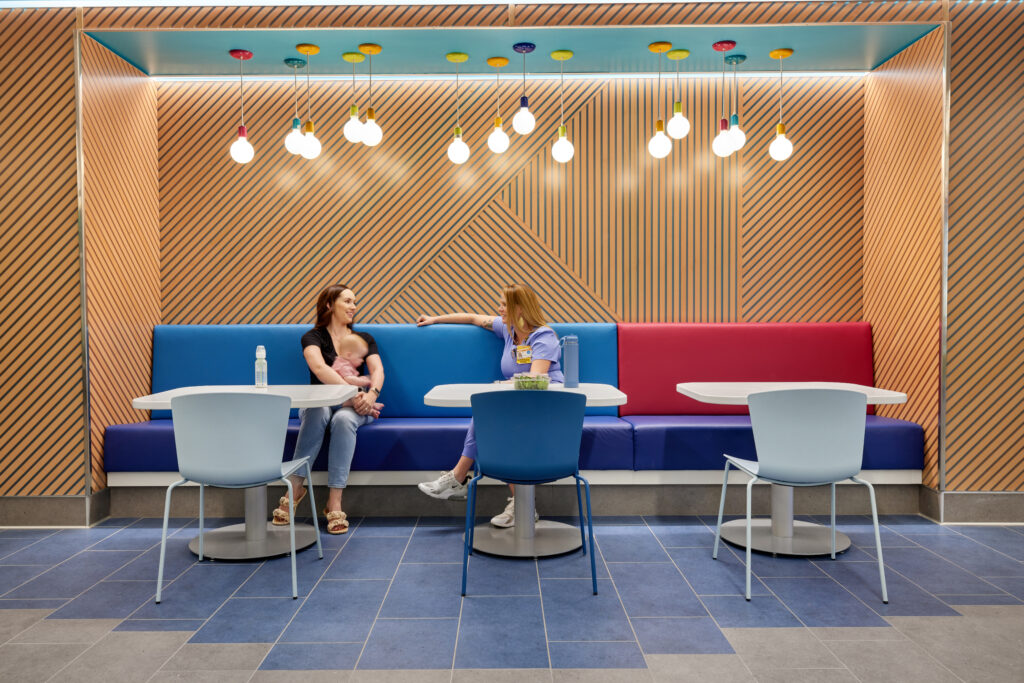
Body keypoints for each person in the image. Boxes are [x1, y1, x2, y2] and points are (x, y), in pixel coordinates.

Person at [415, 283, 563, 528]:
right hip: (516, 405)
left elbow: (536, 381)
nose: (499, 309)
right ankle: (520, 505)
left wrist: (501, 387)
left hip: (545, 406)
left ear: (519, 307)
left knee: (489, 414)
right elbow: (473, 318)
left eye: (504, 304)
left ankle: (458, 478)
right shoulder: (509, 330)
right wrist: (434, 319)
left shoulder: (543, 336)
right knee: (490, 419)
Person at [272, 284, 384, 534]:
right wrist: (352, 392)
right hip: (323, 404)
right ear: (329, 305)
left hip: (354, 408)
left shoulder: (363, 339)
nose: (353, 306)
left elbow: (377, 370)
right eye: (347, 301)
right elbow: (320, 369)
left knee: (343, 420)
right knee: (320, 410)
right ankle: (295, 487)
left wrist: (371, 394)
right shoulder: (312, 337)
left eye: (355, 301)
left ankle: (334, 501)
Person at [331, 335, 384, 413]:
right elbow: (350, 379)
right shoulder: (343, 365)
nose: (362, 360)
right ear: (349, 355)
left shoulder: (343, 363)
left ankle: (369, 407)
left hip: (340, 397)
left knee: (356, 396)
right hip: (336, 399)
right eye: (360, 357)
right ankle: (370, 408)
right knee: (355, 400)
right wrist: (366, 380)